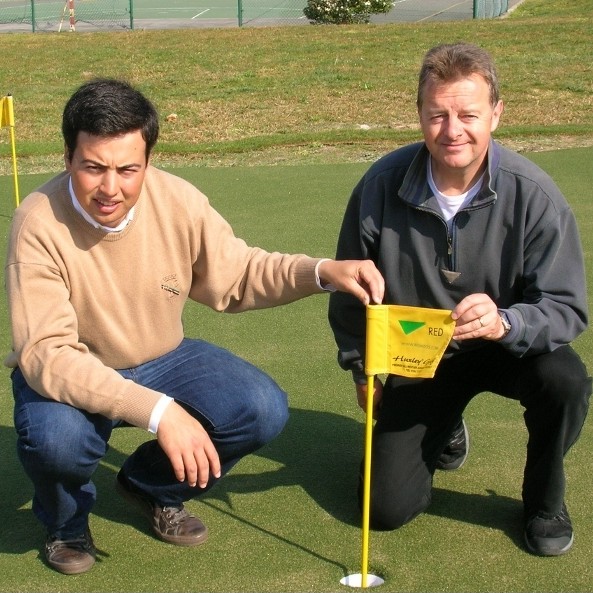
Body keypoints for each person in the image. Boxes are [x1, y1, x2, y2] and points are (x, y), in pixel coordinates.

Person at [4, 78, 385, 575]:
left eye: (127, 169)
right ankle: (66, 524)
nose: (110, 188)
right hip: (72, 373)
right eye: (93, 167)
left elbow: (238, 273)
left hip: (162, 357)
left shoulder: (177, 200)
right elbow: (46, 355)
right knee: (56, 443)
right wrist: (161, 413)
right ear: (67, 158)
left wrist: (319, 272)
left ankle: (149, 484)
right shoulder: (36, 222)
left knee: (261, 407)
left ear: (149, 161)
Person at [328, 42, 591, 557]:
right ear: (420, 115)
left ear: (496, 113)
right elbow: (350, 288)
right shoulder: (379, 186)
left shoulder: (534, 194)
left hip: (510, 349)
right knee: (384, 509)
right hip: (419, 356)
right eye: (437, 115)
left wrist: (507, 323)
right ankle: (444, 428)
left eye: (469, 114)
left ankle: (544, 502)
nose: (453, 131)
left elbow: (566, 306)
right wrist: (362, 369)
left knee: (566, 381)